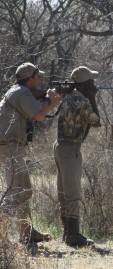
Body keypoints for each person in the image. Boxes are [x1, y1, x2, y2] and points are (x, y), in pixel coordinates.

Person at [0, 62, 62, 244]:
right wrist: (53, 101)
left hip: (9, 145)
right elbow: (40, 115)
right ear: (31, 79)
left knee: (24, 189)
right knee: (15, 192)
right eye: (38, 77)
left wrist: (46, 96)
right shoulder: (22, 93)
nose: (40, 79)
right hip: (9, 146)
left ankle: (27, 233)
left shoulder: (17, 91)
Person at [53, 66, 101, 247]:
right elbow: (96, 121)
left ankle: (67, 233)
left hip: (59, 146)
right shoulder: (83, 102)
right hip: (71, 148)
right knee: (72, 193)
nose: (94, 85)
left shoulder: (67, 96)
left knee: (63, 192)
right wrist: (93, 98)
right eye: (92, 82)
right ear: (87, 84)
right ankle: (73, 236)